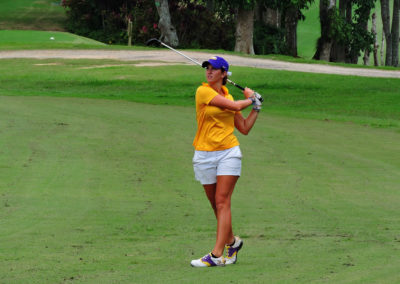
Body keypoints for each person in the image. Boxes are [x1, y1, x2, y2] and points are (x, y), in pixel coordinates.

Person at [190, 56, 261, 267]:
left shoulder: (229, 96)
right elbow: (232, 105)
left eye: (214, 69)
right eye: (207, 68)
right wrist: (252, 99)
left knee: (223, 201)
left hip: (229, 153)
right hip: (204, 154)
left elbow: (245, 128)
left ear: (224, 74)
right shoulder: (203, 91)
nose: (209, 72)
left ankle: (216, 255)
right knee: (216, 205)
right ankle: (232, 242)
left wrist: (255, 108)